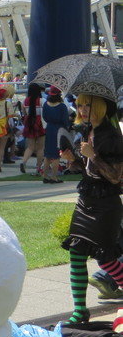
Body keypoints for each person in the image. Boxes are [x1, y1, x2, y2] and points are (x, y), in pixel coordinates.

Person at [59, 94, 123, 323]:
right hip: (86, 200)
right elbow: (87, 169)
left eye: (88, 105)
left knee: (105, 260)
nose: (83, 109)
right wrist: (72, 159)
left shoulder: (112, 135)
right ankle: (80, 311)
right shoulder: (86, 131)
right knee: (76, 253)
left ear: (101, 107)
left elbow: (116, 176)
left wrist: (92, 155)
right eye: (80, 105)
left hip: (106, 205)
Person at [42, 86, 70, 184]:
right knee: (57, 155)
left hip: (49, 128)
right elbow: (65, 120)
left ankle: (45, 176)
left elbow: (44, 117)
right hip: (59, 129)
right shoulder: (62, 106)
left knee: (48, 154)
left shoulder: (46, 104)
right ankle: (54, 177)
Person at [20, 83, 46, 175]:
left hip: (30, 124)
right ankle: (38, 168)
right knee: (40, 148)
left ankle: (23, 162)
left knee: (30, 147)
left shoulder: (25, 101)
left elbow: (24, 114)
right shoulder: (42, 100)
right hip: (40, 125)